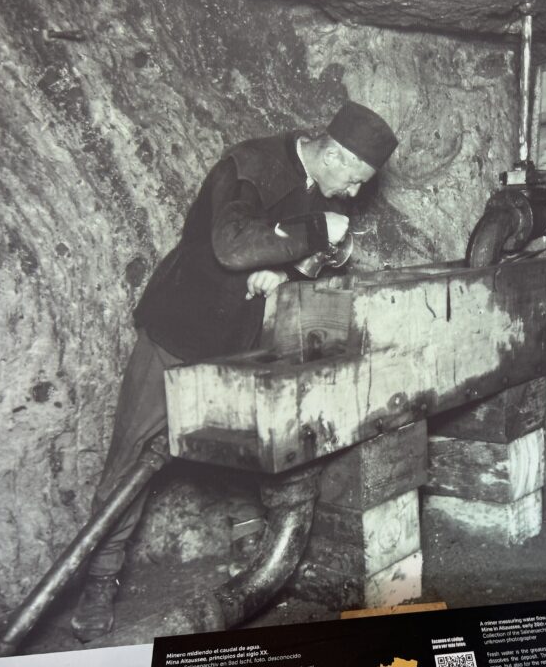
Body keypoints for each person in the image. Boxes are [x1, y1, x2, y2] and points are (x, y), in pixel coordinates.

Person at [70, 101, 398, 642]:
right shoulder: (250, 165)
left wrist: (291, 270)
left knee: (252, 441)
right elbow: (231, 244)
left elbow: (308, 257)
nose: (355, 192)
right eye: (355, 178)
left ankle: (251, 545)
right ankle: (100, 580)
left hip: (239, 337)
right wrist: (317, 232)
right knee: (131, 455)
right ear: (334, 155)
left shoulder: (324, 186)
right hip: (181, 328)